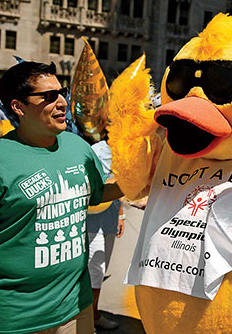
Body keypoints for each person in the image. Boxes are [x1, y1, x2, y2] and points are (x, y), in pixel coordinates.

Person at [0, 62, 123, 334]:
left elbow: (97, 194)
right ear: (18, 107)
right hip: (11, 319)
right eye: (47, 96)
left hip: (75, 310)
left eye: (62, 92)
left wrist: (138, 179)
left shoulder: (78, 147)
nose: (61, 102)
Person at [88, 139, 125, 331]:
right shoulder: (98, 149)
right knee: (95, 271)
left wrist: (121, 215)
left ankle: (93, 315)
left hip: (109, 221)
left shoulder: (127, 148)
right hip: (92, 222)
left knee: (100, 272)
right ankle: (89, 318)